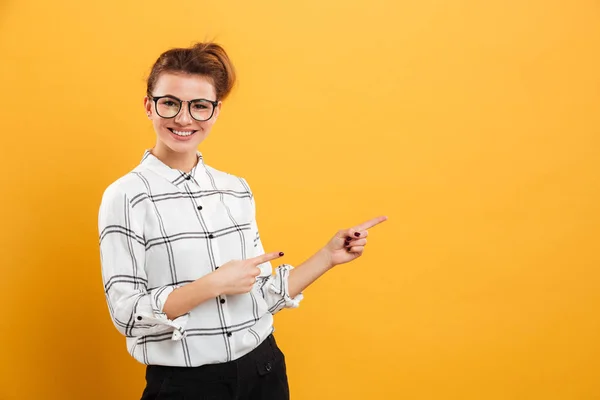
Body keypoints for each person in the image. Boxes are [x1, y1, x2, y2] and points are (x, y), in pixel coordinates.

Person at [98, 42, 387, 400]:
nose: (184, 119)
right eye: (170, 102)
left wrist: (327, 256)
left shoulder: (235, 190)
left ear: (215, 112)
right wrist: (211, 284)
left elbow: (261, 295)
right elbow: (126, 314)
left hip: (264, 372)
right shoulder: (126, 196)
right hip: (186, 387)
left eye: (200, 106)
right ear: (149, 105)